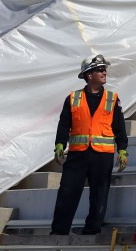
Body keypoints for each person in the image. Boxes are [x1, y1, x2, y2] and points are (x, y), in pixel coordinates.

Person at [50, 54, 128, 235]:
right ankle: (59, 231)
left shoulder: (112, 98)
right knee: (67, 192)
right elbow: (64, 124)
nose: (104, 72)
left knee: (99, 195)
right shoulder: (73, 98)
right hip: (78, 154)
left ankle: (92, 230)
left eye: (104, 69)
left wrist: (123, 150)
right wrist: (60, 145)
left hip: (103, 154)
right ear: (89, 75)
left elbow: (119, 127)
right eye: (100, 70)